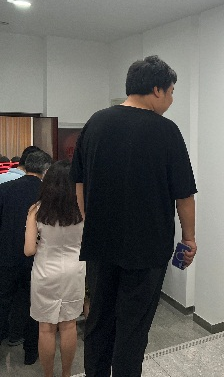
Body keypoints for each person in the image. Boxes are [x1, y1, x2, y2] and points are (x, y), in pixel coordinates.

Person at [70, 55, 197, 377]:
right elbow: (184, 194)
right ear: (156, 90)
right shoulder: (166, 131)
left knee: (98, 321)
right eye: (171, 92)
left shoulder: (95, 123)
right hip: (147, 248)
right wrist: (189, 239)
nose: (171, 99)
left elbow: (79, 182)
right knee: (133, 328)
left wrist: (90, 221)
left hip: (100, 244)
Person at [24, 160, 85, 377]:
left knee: (46, 328)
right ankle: (66, 374)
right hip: (74, 271)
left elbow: (29, 250)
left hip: (45, 272)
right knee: (69, 326)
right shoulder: (82, 209)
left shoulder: (36, 210)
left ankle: (48, 375)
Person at [0, 150, 53, 365]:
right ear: (45, 170)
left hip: (6, 256)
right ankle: (30, 353)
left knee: (3, 301)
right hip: (35, 259)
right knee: (33, 304)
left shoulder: (4, 189)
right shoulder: (48, 194)